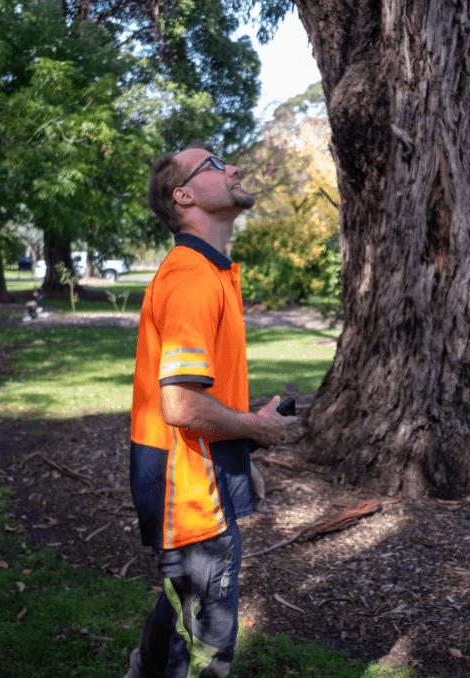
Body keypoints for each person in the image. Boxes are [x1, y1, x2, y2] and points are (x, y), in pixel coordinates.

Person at [124, 146, 297, 678]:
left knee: (185, 600)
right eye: (216, 164)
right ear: (186, 195)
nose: (234, 168)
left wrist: (242, 446)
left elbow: (196, 395)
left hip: (193, 476)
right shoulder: (193, 277)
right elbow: (180, 404)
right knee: (206, 643)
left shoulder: (209, 272)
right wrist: (258, 429)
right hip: (187, 492)